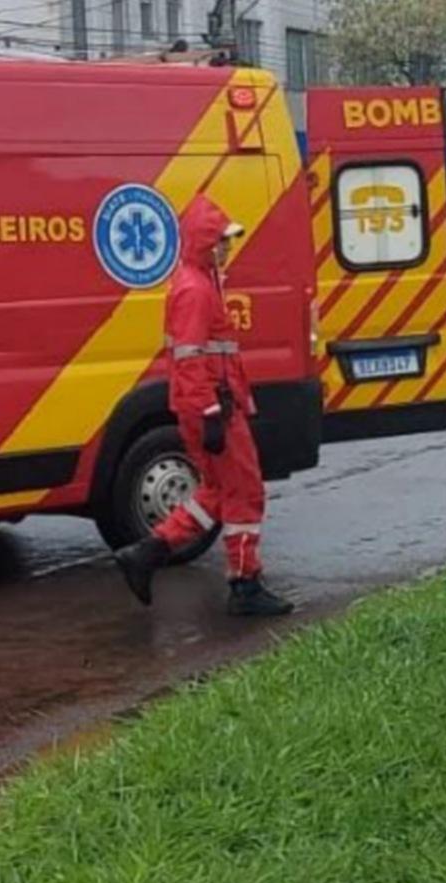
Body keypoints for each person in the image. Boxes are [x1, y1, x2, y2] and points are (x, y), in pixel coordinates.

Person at [114, 195, 294, 617]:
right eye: (222, 241)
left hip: (210, 407)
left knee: (215, 492)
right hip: (213, 410)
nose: (228, 248)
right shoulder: (196, 290)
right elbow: (191, 360)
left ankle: (148, 552)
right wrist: (212, 413)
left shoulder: (199, 282)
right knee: (245, 493)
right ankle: (245, 584)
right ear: (205, 243)